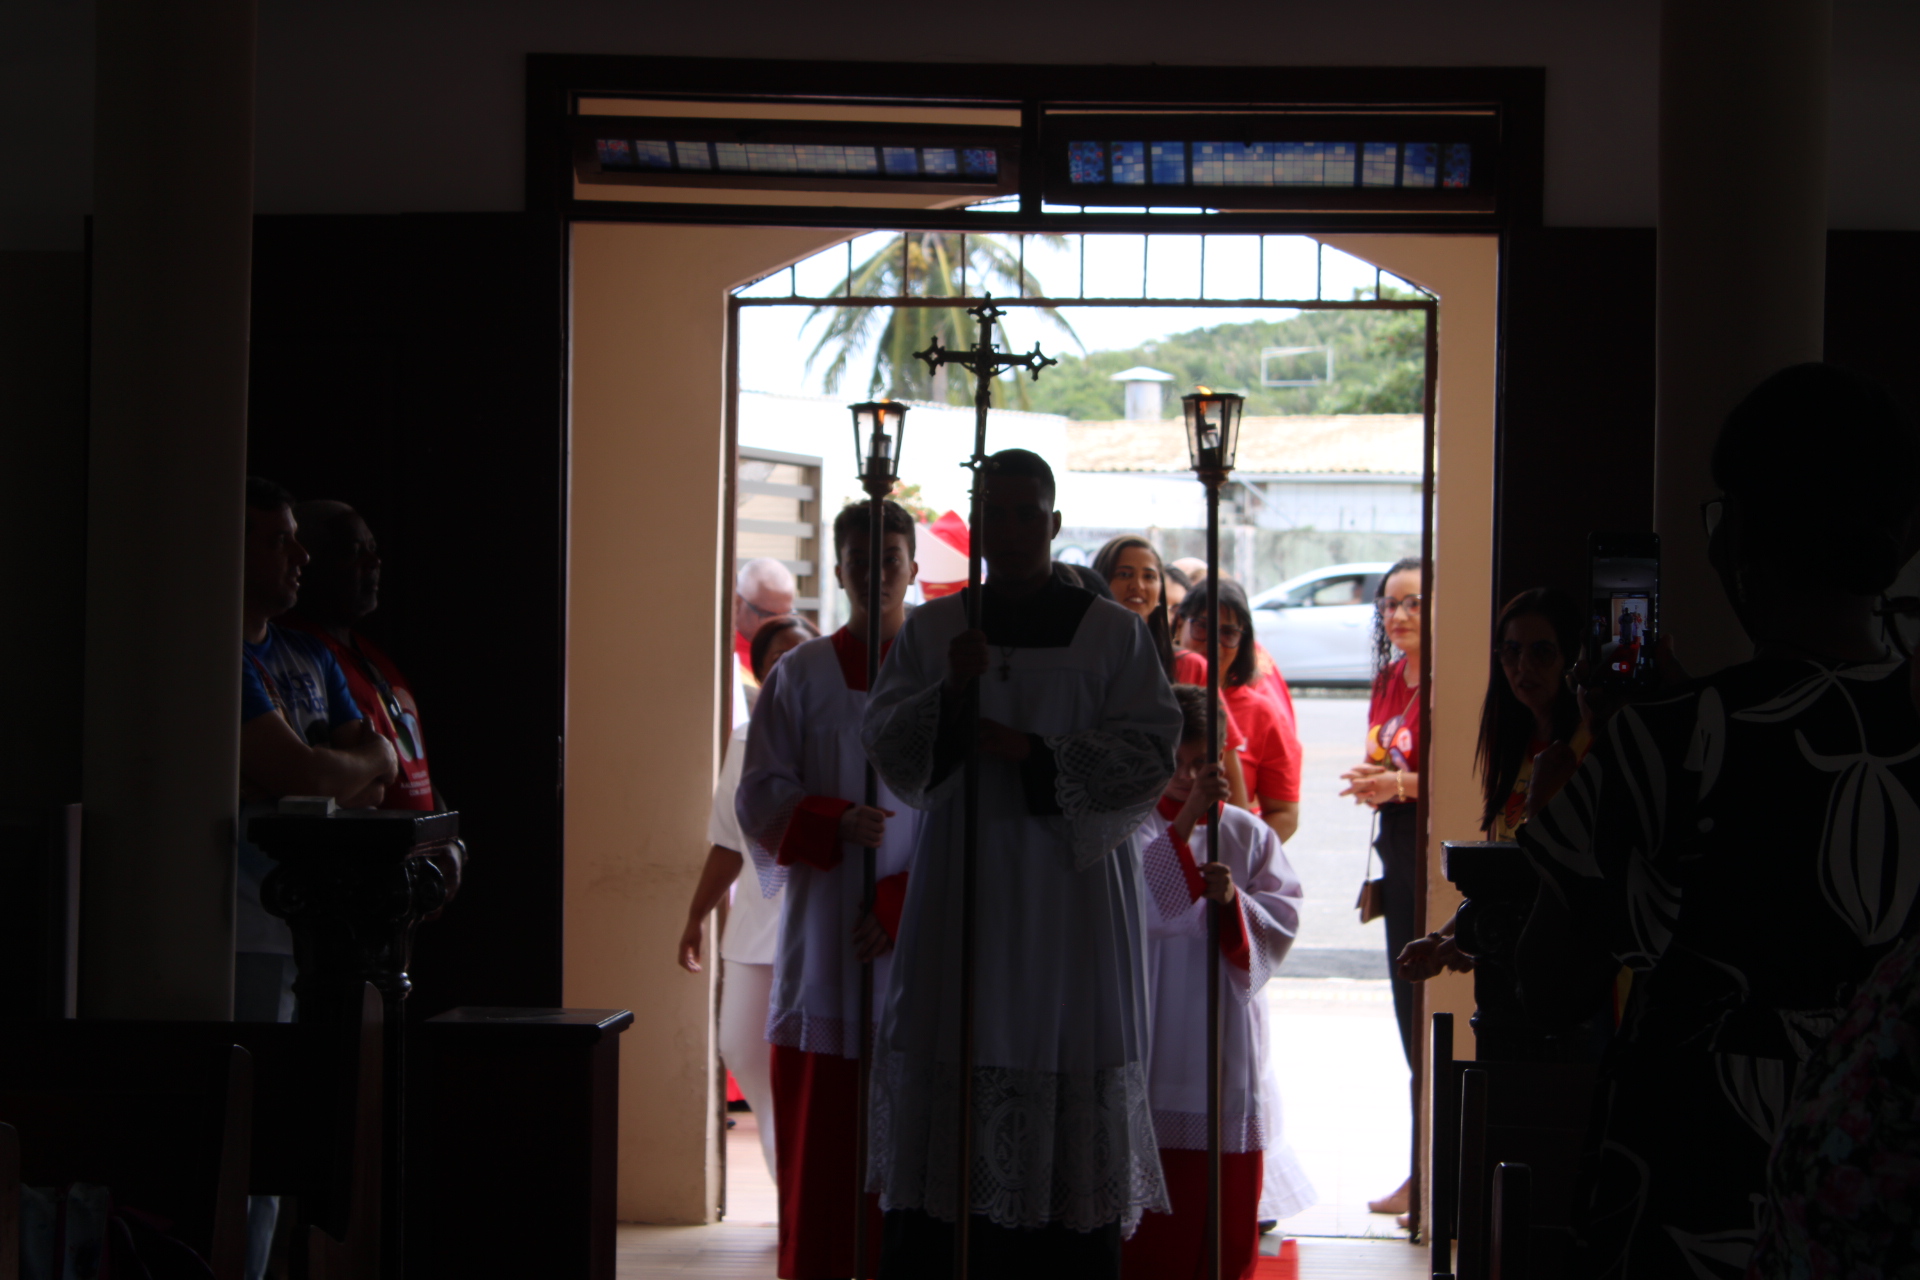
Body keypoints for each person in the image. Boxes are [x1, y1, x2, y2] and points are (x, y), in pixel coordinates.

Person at [1515, 364, 1920, 1279]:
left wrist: (1589, 804)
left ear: (1739, 538)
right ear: (1899, 538)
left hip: (1693, 1182)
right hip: (1884, 1195)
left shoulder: (1666, 741)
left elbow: (1550, 986)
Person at [863, 449, 1181, 1278]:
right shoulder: (937, 631)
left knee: (1065, 1061)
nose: (1006, 530)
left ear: (1053, 522)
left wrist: (1034, 752)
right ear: (976, 525)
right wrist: (950, 693)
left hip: (1072, 897)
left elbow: (1150, 755)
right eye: (992, 513)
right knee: (954, 1042)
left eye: (1023, 513)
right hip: (962, 884)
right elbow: (890, 747)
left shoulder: (1112, 632)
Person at [737, 501, 920, 1279]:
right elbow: (758, 796)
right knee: (825, 1137)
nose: (876, 572)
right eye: (860, 559)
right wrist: (831, 819)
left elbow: (971, 817)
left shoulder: (942, 678)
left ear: (913, 567)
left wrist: (903, 901)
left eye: (891, 558)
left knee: (909, 1146)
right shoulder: (801, 675)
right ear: (839, 569)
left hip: (917, 938)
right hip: (825, 939)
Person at [1124, 684, 1311, 1280]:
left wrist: (1232, 903)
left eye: (1200, 763)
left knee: (1217, 1198)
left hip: (1220, 1024)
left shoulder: (1248, 834)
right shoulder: (1129, 827)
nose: (1185, 777)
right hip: (1152, 1016)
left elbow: (1281, 919)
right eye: (1175, 761)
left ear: (1223, 758)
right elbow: (1148, 910)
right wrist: (1183, 824)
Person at [237, 478, 397, 1024]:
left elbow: (379, 784)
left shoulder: (311, 653)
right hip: (249, 919)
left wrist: (313, 781)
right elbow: (306, 776)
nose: (302, 556)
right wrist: (321, 776)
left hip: (326, 920)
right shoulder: (220, 657)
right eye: (280, 541)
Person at [678, 613, 818, 1184]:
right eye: (777, 658)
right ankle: (788, 1183)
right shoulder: (743, 738)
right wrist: (696, 916)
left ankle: (803, 1194)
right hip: (755, 931)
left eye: (800, 654)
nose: (789, 666)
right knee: (740, 1046)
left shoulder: (839, 729)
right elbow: (728, 841)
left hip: (819, 925)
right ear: (759, 671)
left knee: (812, 1065)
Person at [1397, 587, 1589, 984]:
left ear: (1569, 659)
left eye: (1541, 652)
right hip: (1519, 968)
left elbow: (1566, 879)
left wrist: (1471, 939)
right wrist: (1442, 939)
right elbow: (1507, 874)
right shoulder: (1517, 746)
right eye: (1511, 651)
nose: (1523, 666)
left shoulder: (1584, 749)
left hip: (1572, 969)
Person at [1337, 555, 1423, 1220]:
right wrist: (1375, 780)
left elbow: (1462, 776)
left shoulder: (1453, 677)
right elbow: (1387, 757)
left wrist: (1399, 784)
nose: (1399, 615)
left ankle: (1428, 1170)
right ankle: (1419, 1167)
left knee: (1426, 1012)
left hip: (1429, 854)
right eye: (1390, 604)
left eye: (1414, 602)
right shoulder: (1392, 676)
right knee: (1405, 1012)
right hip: (1395, 849)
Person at [1095, 534, 1252, 811]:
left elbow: (1224, 757)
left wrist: (1236, 827)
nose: (1137, 585)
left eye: (1149, 576)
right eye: (1124, 574)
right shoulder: (1085, 666)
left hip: (1183, 821)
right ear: (1101, 582)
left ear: (1160, 592)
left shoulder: (1189, 665)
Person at [1178, 578, 1302, 843]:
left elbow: (1285, 814)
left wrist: (1244, 856)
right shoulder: (1155, 695)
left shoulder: (1263, 714)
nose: (1214, 642)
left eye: (1228, 633)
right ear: (1179, 625)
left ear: (1243, 641)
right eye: (1202, 627)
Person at [734, 557, 798, 720]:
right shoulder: (724, 658)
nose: (778, 624)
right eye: (767, 615)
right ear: (737, 604)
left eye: (786, 614)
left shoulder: (797, 656)